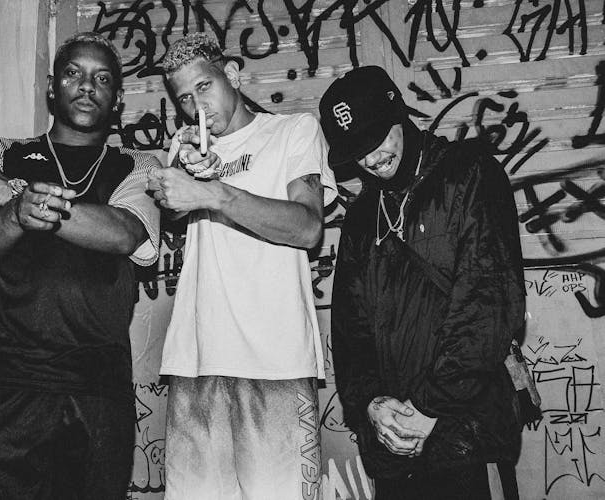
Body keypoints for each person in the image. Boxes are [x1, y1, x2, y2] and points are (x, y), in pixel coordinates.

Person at [0, 32, 160, 499]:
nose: (86, 86)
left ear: (117, 99)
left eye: (101, 78)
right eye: (73, 73)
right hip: (2, 379)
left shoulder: (138, 163)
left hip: (96, 389)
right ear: (51, 86)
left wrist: (15, 196)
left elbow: (123, 232)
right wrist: (15, 211)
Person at [146, 32, 337, 500]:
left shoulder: (292, 131)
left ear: (231, 74)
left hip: (274, 362)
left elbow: (308, 227)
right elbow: (168, 221)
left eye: (204, 87)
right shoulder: (192, 154)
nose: (197, 107)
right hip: (197, 362)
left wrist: (214, 193)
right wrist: (179, 178)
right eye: (185, 99)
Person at [319, 66, 525, 499]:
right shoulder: (361, 216)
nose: (371, 158)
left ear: (400, 115)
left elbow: (487, 306)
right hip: (394, 448)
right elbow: (349, 329)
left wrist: (429, 409)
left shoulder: (469, 173)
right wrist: (371, 405)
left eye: (376, 138)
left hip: (466, 438)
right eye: (357, 150)